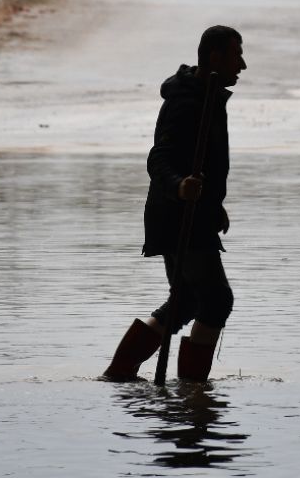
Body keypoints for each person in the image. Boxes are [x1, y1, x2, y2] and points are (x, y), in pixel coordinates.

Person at [103, 25, 246, 383]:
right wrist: (181, 186)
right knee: (215, 300)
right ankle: (193, 389)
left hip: (190, 212)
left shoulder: (207, 95)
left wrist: (213, 202)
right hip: (178, 214)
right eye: (236, 54)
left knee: (186, 301)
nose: (242, 64)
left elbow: (203, 165)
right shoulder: (186, 102)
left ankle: (122, 374)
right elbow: (160, 159)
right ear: (215, 57)